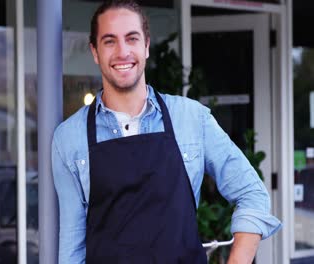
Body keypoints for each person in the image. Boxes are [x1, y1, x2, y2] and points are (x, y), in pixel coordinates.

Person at [51, 0, 282, 263]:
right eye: (109, 41)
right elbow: (72, 246)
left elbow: (252, 193)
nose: (122, 51)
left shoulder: (192, 118)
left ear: (146, 46)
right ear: (95, 51)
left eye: (132, 38)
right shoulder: (69, 138)